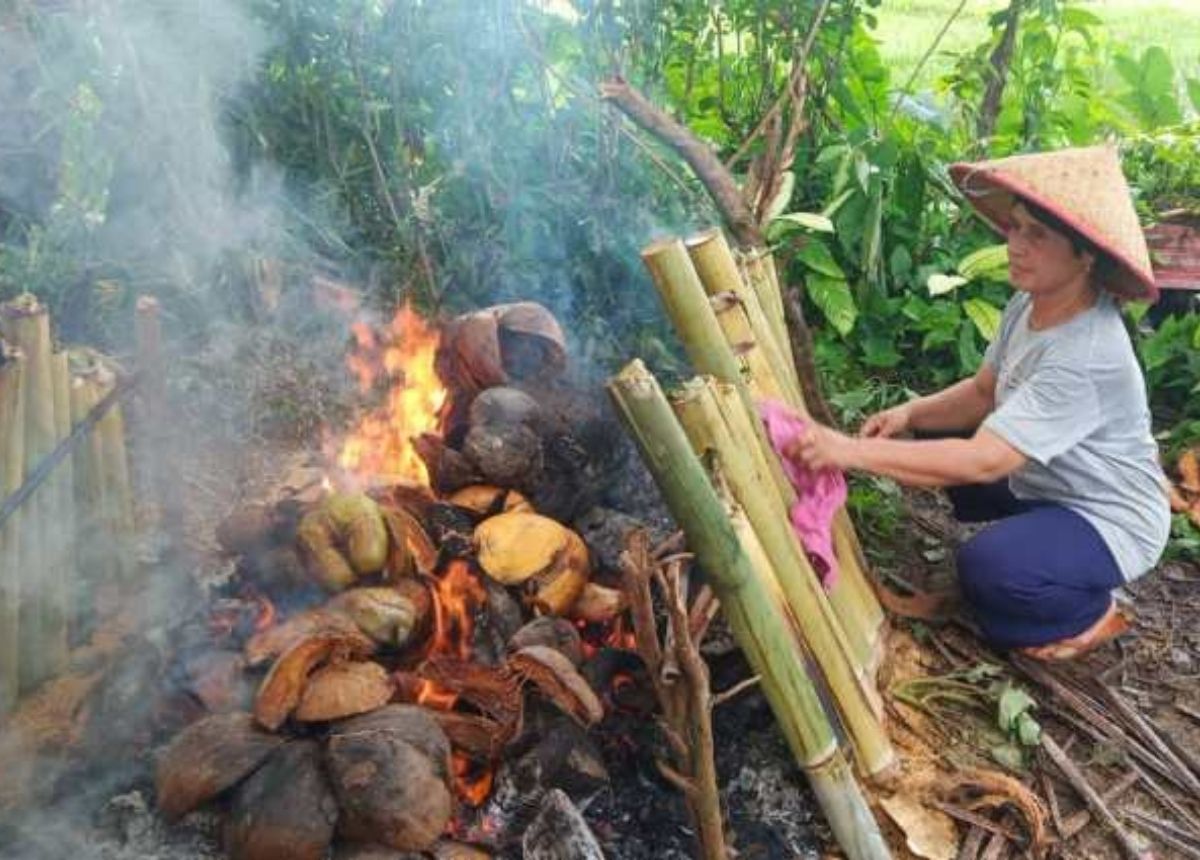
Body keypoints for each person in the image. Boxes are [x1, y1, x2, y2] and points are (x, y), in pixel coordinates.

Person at [789, 145, 1171, 660]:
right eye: (1015, 227)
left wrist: (848, 452)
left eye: (1038, 234)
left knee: (987, 573)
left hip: (1109, 516)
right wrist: (909, 413)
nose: (1016, 245)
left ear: (1086, 256)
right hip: (1047, 478)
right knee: (936, 428)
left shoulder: (1087, 352)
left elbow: (984, 459)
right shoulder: (1028, 302)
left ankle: (1091, 610)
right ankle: (1040, 544)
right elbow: (982, 393)